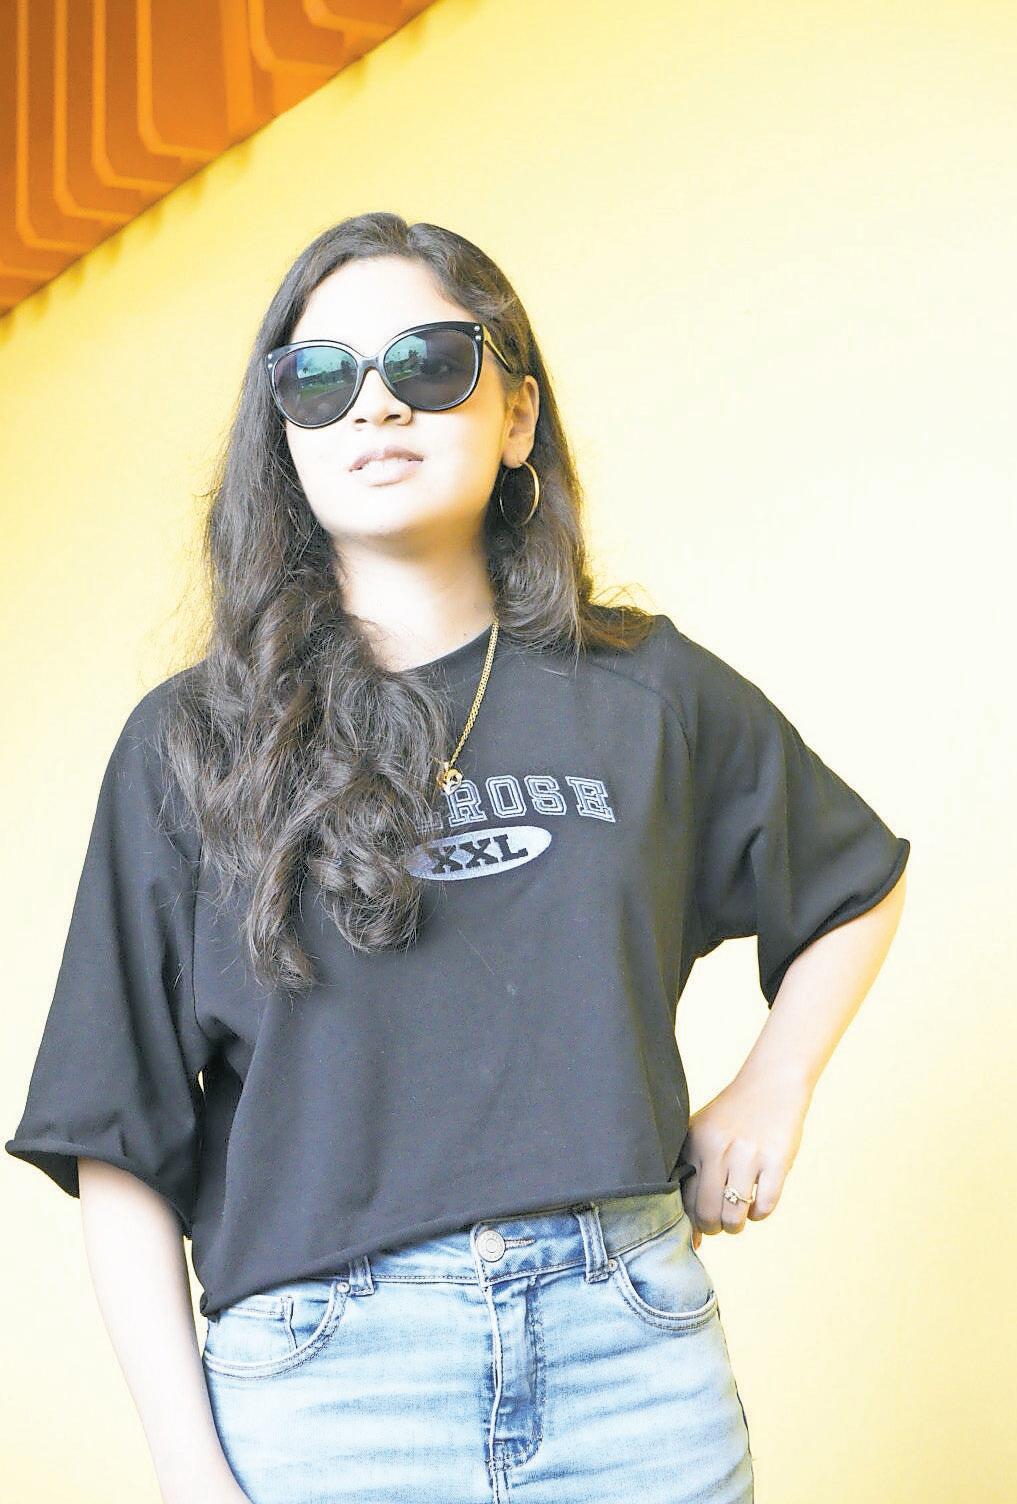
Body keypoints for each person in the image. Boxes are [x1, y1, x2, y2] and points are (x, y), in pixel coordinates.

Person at [6, 211, 909, 1504]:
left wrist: (773, 1086)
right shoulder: (188, 746)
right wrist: (188, 1468)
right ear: (285, 438)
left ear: (517, 414)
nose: (374, 407)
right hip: (327, 1390)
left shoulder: (645, 690)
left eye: (427, 365)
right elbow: (118, 1142)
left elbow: (852, 883)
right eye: (320, 380)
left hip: (630, 1363)